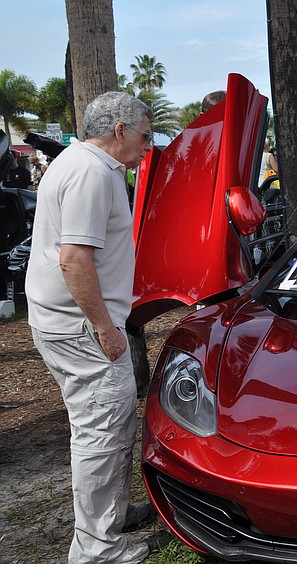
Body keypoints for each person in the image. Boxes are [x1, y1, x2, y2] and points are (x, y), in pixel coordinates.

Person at [26, 91, 155, 564]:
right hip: (82, 330)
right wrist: (105, 327)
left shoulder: (75, 161)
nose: (148, 146)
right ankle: (98, 549)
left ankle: (109, 518)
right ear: (118, 130)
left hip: (61, 322)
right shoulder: (93, 174)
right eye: (144, 135)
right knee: (102, 435)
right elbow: (74, 259)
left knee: (108, 426)